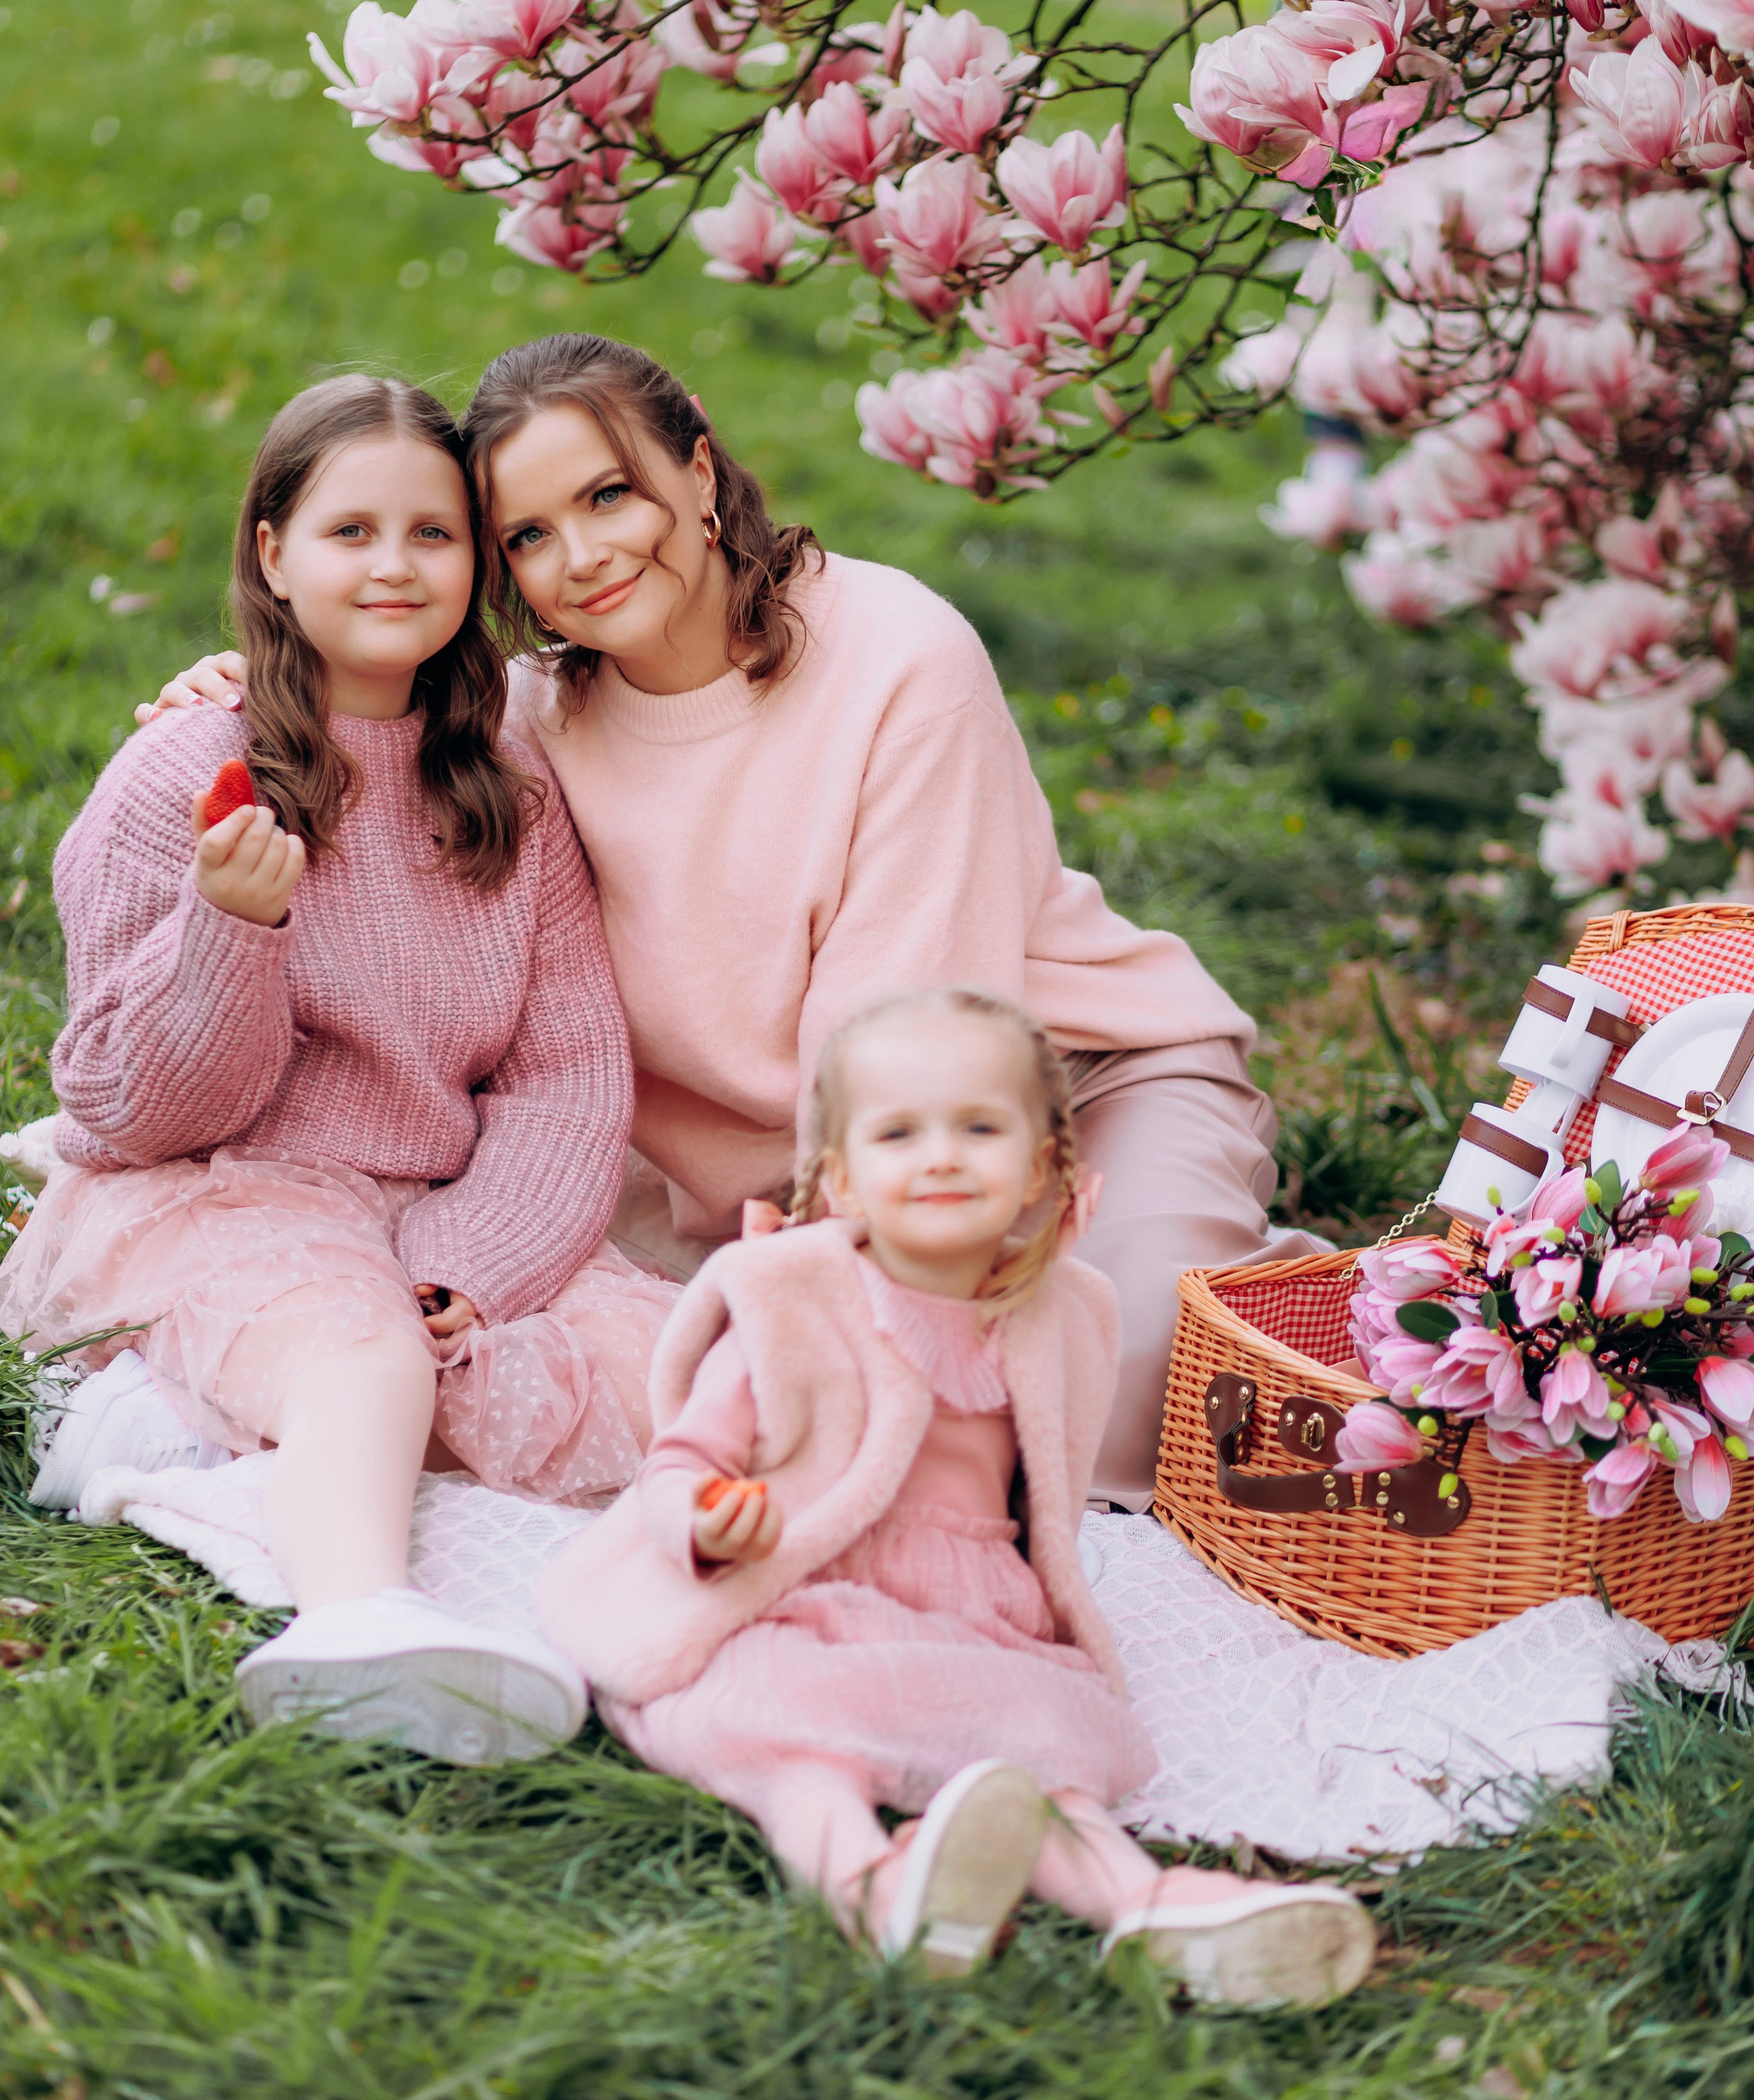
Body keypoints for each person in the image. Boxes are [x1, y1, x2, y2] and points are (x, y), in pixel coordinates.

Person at [138, 333, 1320, 1509]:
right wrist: (244, 696)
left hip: (1053, 1094)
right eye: (530, 537)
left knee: (1078, 1407)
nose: (587, 556)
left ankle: (1360, 1318)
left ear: (698, 471)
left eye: (610, 495)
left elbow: (903, 1030)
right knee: (663, 1407)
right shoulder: (533, 729)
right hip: (727, 1188)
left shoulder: (899, 656)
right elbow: (373, 777)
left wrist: (841, 1294)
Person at [3, 376, 676, 1761]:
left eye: (431, 535)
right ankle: (358, 1616)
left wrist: (470, 1264)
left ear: (476, 567)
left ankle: (188, 1435)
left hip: (426, 1201)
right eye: (349, 530)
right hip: (216, 1184)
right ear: (272, 552)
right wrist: (229, 930)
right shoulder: (189, 771)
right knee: (363, 1352)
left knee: (647, 1369)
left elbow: (565, 1074)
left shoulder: (506, 792)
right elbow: (132, 1111)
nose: (391, 566)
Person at [536, 989, 1374, 1998]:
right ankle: (870, 1884)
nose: (941, 1156)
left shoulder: (1057, 1312)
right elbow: (681, 1462)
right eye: (899, 1133)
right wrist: (710, 1524)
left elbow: (1043, 1500)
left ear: (1043, 1167)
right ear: (839, 1178)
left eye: (980, 1128)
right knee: (784, 1724)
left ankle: (1148, 1906)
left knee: (1051, 1743)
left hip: (976, 1608)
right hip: (805, 1586)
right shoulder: (799, 1301)